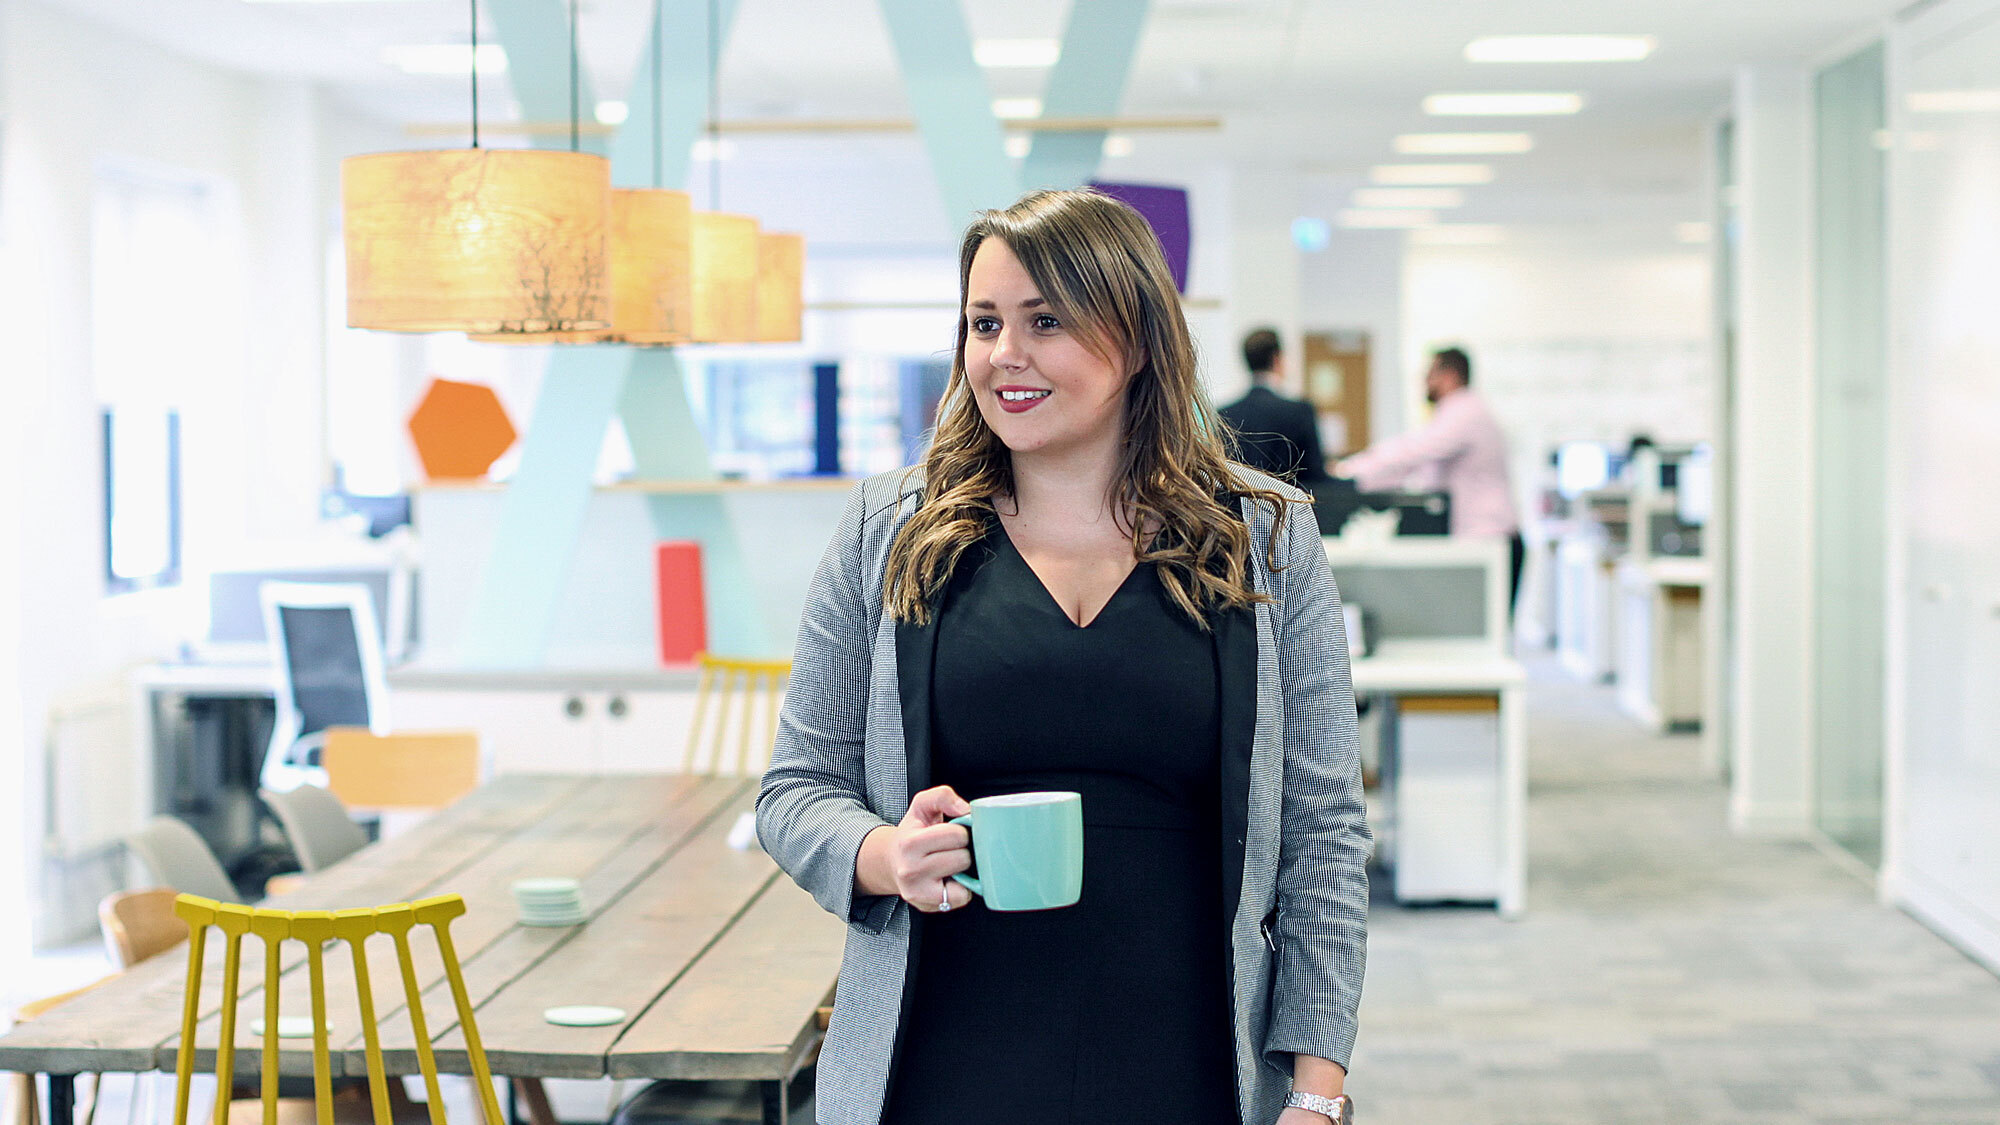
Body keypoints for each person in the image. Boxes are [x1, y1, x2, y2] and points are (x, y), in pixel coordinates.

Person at [756, 189, 1371, 1125]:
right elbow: (796, 789)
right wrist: (885, 853)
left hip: (1188, 1057)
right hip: (941, 1058)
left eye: (1046, 321)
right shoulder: (891, 528)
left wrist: (1317, 1093)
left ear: (1136, 334)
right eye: (984, 322)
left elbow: (1323, 829)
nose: (1006, 354)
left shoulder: (1265, 535)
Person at [1337, 345, 1524, 607]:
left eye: (1429, 374)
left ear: (1449, 376)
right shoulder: (1456, 412)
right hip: (1484, 539)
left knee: (1487, 635)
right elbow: (1410, 466)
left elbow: (1412, 451)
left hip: (1491, 540)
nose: (1424, 382)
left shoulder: (1466, 412)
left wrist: (1346, 472)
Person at [1219, 327, 1328, 482]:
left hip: (1235, 505)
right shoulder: (1300, 411)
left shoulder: (1223, 413)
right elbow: (1315, 474)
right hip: (1287, 503)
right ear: (1277, 359)